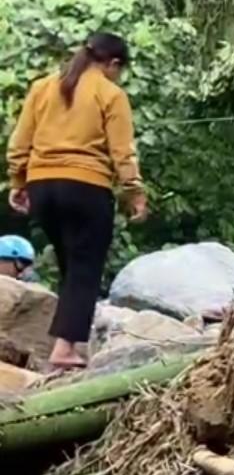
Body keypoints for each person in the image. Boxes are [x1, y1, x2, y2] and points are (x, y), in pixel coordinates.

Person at [6, 32, 148, 369]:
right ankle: (65, 349)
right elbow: (122, 152)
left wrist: (18, 180)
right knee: (85, 267)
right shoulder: (110, 93)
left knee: (71, 265)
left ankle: (63, 343)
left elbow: (20, 141)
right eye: (120, 70)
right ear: (113, 64)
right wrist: (134, 193)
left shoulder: (43, 87)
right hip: (86, 187)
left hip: (42, 187)